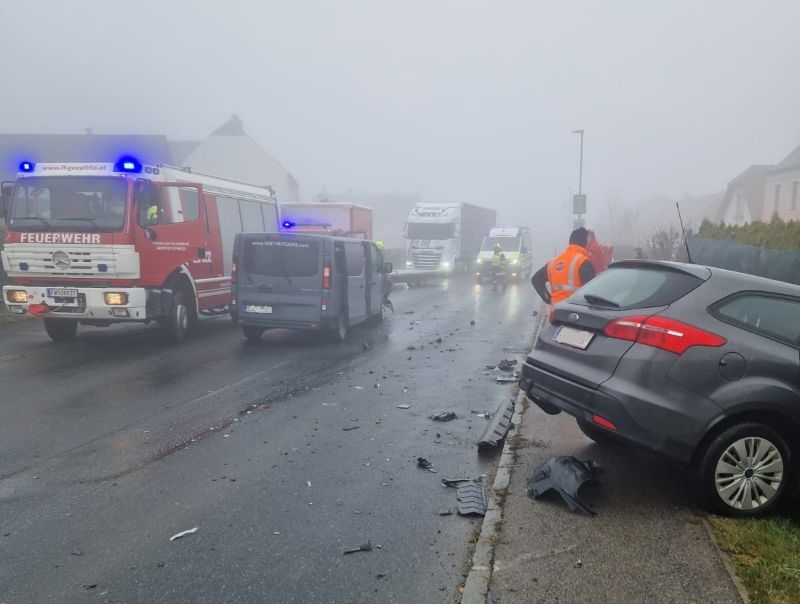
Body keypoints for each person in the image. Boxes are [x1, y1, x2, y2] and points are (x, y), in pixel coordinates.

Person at [531, 227, 596, 305]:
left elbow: (536, 279)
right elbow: (591, 293)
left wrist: (548, 299)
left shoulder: (553, 262)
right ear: (585, 243)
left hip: (555, 311)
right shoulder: (584, 262)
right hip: (575, 311)